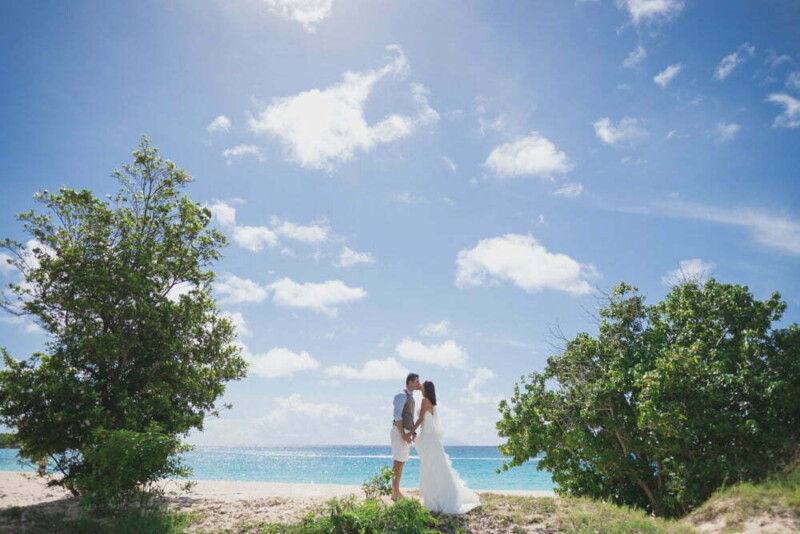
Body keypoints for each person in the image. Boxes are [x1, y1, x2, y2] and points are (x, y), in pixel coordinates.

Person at [411, 380, 480, 514]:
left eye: (422, 385)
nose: (421, 385)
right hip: (429, 435)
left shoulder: (425, 400)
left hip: (428, 436)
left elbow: (420, 420)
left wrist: (410, 431)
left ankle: (436, 498)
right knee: (434, 465)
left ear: (426, 388)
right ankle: (436, 497)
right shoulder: (430, 401)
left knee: (431, 465)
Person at [390, 372, 421, 501]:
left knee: (402, 461)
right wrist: (402, 434)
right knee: (398, 461)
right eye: (417, 382)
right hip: (399, 431)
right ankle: (395, 493)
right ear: (410, 382)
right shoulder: (401, 395)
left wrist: (412, 433)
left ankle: (396, 491)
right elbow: (397, 415)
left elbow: (409, 417)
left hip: (405, 432)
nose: (419, 384)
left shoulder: (410, 396)